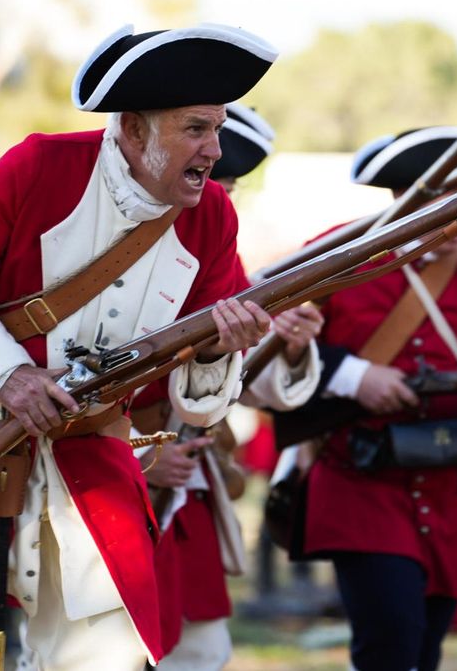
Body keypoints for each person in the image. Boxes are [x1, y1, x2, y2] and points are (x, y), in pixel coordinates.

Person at [0, 23, 280, 670]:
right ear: (131, 129)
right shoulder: (39, 167)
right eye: (196, 128)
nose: (215, 149)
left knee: (105, 653)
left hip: (91, 461)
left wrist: (216, 352)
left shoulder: (213, 217)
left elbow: (199, 397)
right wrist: (8, 375)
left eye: (218, 127)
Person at [281, 125, 457, 671]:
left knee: (425, 650)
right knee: (388, 647)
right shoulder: (334, 253)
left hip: (454, 490)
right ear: (406, 200)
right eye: (449, 202)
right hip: (361, 483)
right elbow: (278, 356)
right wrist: (354, 377)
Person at [133, 101, 324, 670]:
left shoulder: (212, 240)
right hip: (104, 475)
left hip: (183, 481)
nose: (222, 200)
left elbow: (240, 373)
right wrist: (138, 461)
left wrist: (287, 342)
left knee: (201, 650)